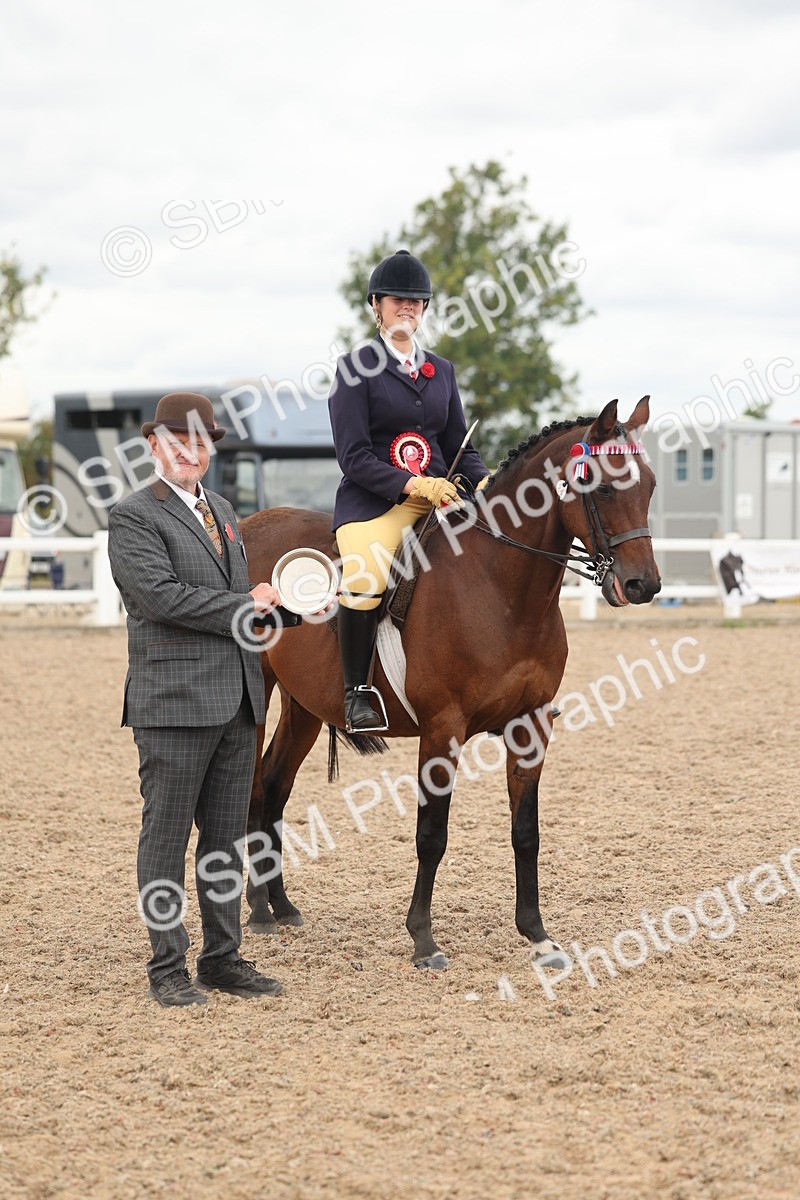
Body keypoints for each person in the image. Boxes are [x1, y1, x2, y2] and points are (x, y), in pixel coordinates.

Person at [108, 392, 284, 1008]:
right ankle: (166, 966)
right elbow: (161, 598)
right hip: (173, 703)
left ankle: (222, 957)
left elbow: (239, 606)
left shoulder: (226, 512)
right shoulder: (134, 517)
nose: (191, 452)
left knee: (226, 839)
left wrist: (280, 608)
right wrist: (246, 606)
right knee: (165, 837)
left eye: (201, 442)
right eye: (178, 442)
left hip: (238, 702)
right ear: (154, 446)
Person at [328, 249, 490, 733]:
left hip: (444, 496)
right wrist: (410, 483)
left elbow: (459, 442)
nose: (408, 308)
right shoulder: (354, 368)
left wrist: (484, 483)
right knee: (365, 574)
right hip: (377, 503)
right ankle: (357, 690)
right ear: (376, 305)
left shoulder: (442, 371)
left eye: (417, 302)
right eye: (399, 300)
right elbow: (352, 455)